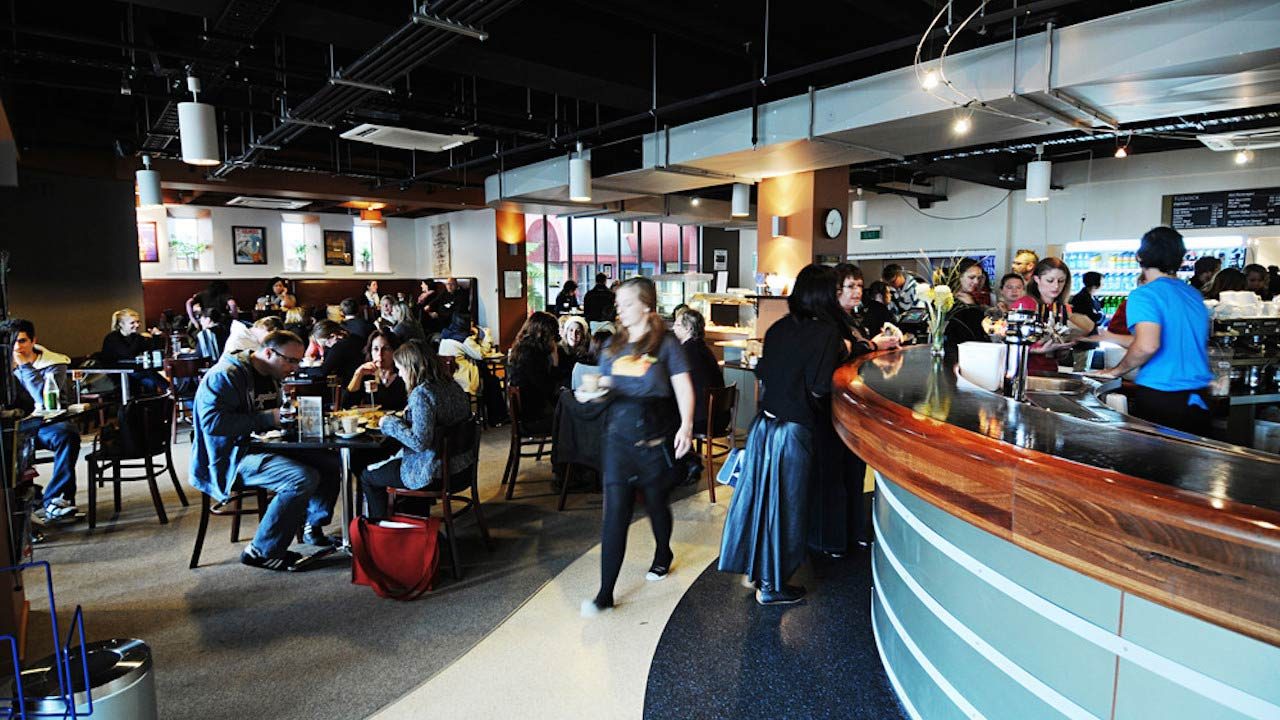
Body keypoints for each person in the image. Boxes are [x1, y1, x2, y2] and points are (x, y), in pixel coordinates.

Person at [719, 264, 846, 605]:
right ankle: (773, 586)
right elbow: (820, 388)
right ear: (823, 296)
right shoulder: (827, 333)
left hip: (763, 428)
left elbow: (765, 375)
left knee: (761, 502)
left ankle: (757, 571)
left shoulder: (778, 328)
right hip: (793, 431)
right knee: (788, 507)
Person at [580, 276, 694, 617]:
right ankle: (604, 593)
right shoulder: (613, 345)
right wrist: (592, 393)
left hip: (652, 439)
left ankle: (663, 553)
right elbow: (602, 384)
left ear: (645, 304)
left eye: (626, 303)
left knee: (657, 504)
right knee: (614, 514)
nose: (620, 310)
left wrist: (686, 426)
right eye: (619, 305)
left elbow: (683, 388)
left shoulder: (667, 343)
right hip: (617, 439)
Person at [190, 331, 339, 570]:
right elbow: (212, 424)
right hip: (229, 458)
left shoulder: (270, 373)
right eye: (290, 361)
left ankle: (314, 524)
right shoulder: (225, 376)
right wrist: (267, 418)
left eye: (298, 361)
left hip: (260, 446)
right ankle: (260, 551)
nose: (295, 367)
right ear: (268, 352)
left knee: (331, 460)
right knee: (301, 478)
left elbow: (269, 419)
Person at [1092, 227, 1211, 435]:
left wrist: (1116, 371)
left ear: (1140, 257)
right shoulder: (1192, 294)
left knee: (1158, 464)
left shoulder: (1145, 294)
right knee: (1189, 462)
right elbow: (1171, 340)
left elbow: (1147, 345)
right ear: (1180, 259)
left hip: (1163, 394)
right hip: (1198, 394)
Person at [359, 342, 473, 519]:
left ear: (410, 368)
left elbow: (419, 443)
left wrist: (389, 423)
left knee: (367, 477)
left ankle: (381, 533)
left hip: (434, 473)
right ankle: (415, 519)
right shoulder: (452, 385)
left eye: (401, 369)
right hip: (462, 468)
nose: (401, 374)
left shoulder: (422, 393)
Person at [10, 319, 81, 521]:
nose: (17, 347)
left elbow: (46, 401)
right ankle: (30, 499)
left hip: (45, 424)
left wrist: (25, 368)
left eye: (22, 341)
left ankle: (56, 499)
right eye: (13, 342)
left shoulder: (54, 364)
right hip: (16, 426)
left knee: (67, 435)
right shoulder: (5, 366)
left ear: (34, 341)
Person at [671, 308, 726, 485]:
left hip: (704, 420)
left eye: (677, 324)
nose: (673, 328)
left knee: (667, 418)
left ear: (688, 329)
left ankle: (686, 463)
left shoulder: (685, 354)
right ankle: (690, 459)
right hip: (719, 416)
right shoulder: (704, 350)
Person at [1010, 258, 1083, 374]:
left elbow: (1059, 354)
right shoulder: (1024, 305)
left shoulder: (1063, 308)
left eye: (1061, 281)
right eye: (1050, 280)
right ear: (1037, 279)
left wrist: (1063, 348)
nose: (1056, 286)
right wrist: (1038, 349)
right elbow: (1009, 344)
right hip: (1024, 372)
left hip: (1050, 371)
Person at [506, 312, 566, 435]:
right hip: (533, 418)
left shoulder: (522, 349)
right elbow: (548, 388)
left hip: (526, 413)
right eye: (553, 335)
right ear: (543, 334)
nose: (555, 339)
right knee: (572, 419)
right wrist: (555, 362)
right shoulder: (532, 355)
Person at [344, 330, 407, 410]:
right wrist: (358, 374)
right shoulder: (366, 375)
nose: (380, 354)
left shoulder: (403, 375)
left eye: (386, 349)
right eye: (376, 349)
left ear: (394, 351)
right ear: (370, 351)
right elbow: (346, 405)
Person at [311, 321, 365, 394]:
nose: (326, 347)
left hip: (350, 388)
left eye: (325, 344)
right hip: (362, 383)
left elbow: (323, 372)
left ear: (333, 336)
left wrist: (303, 370)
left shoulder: (339, 347)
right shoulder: (356, 338)